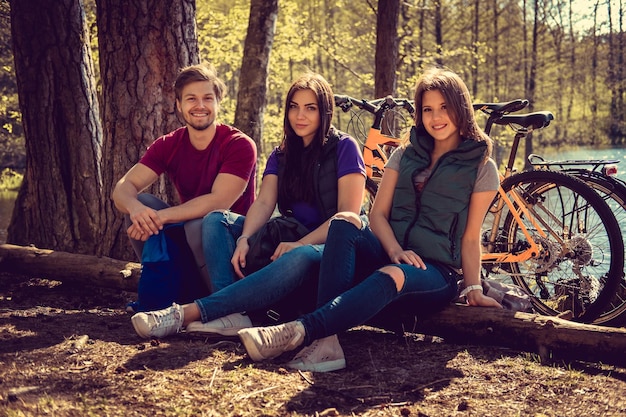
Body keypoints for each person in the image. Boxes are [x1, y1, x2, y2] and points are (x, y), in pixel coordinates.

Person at [236, 67, 504, 372]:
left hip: (435, 272)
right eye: (427, 109)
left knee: (393, 273)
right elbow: (376, 214)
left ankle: (304, 332)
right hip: (391, 252)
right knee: (345, 219)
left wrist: (474, 288)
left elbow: (470, 238)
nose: (436, 117)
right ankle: (328, 344)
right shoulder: (404, 154)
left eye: (444, 107)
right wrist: (393, 249)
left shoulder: (482, 168)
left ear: (461, 108)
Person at [130, 72, 366, 339]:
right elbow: (264, 202)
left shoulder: (345, 147)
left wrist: (301, 244)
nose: (300, 116)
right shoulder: (282, 154)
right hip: (290, 235)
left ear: (325, 112)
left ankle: (190, 312)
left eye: (310, 108)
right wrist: (244, 238)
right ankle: (232, 315)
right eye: (294, 107)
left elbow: (346, 216)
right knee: (216, 219)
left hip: (328, 247)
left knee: (299, 255)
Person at [112, 63, 257, 291]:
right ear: (178, 105)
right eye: (191, 99)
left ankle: (222, 299)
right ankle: (167, 289)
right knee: (142, 205)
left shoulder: (238, 144)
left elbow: (219, 202)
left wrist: (160, 217)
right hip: (193, 237)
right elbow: (123, 188)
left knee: (200, 224)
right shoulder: (168, 144)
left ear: (218, 102)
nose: (200, 106)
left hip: (235, 243)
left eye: (208, 98)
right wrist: (135, 209)